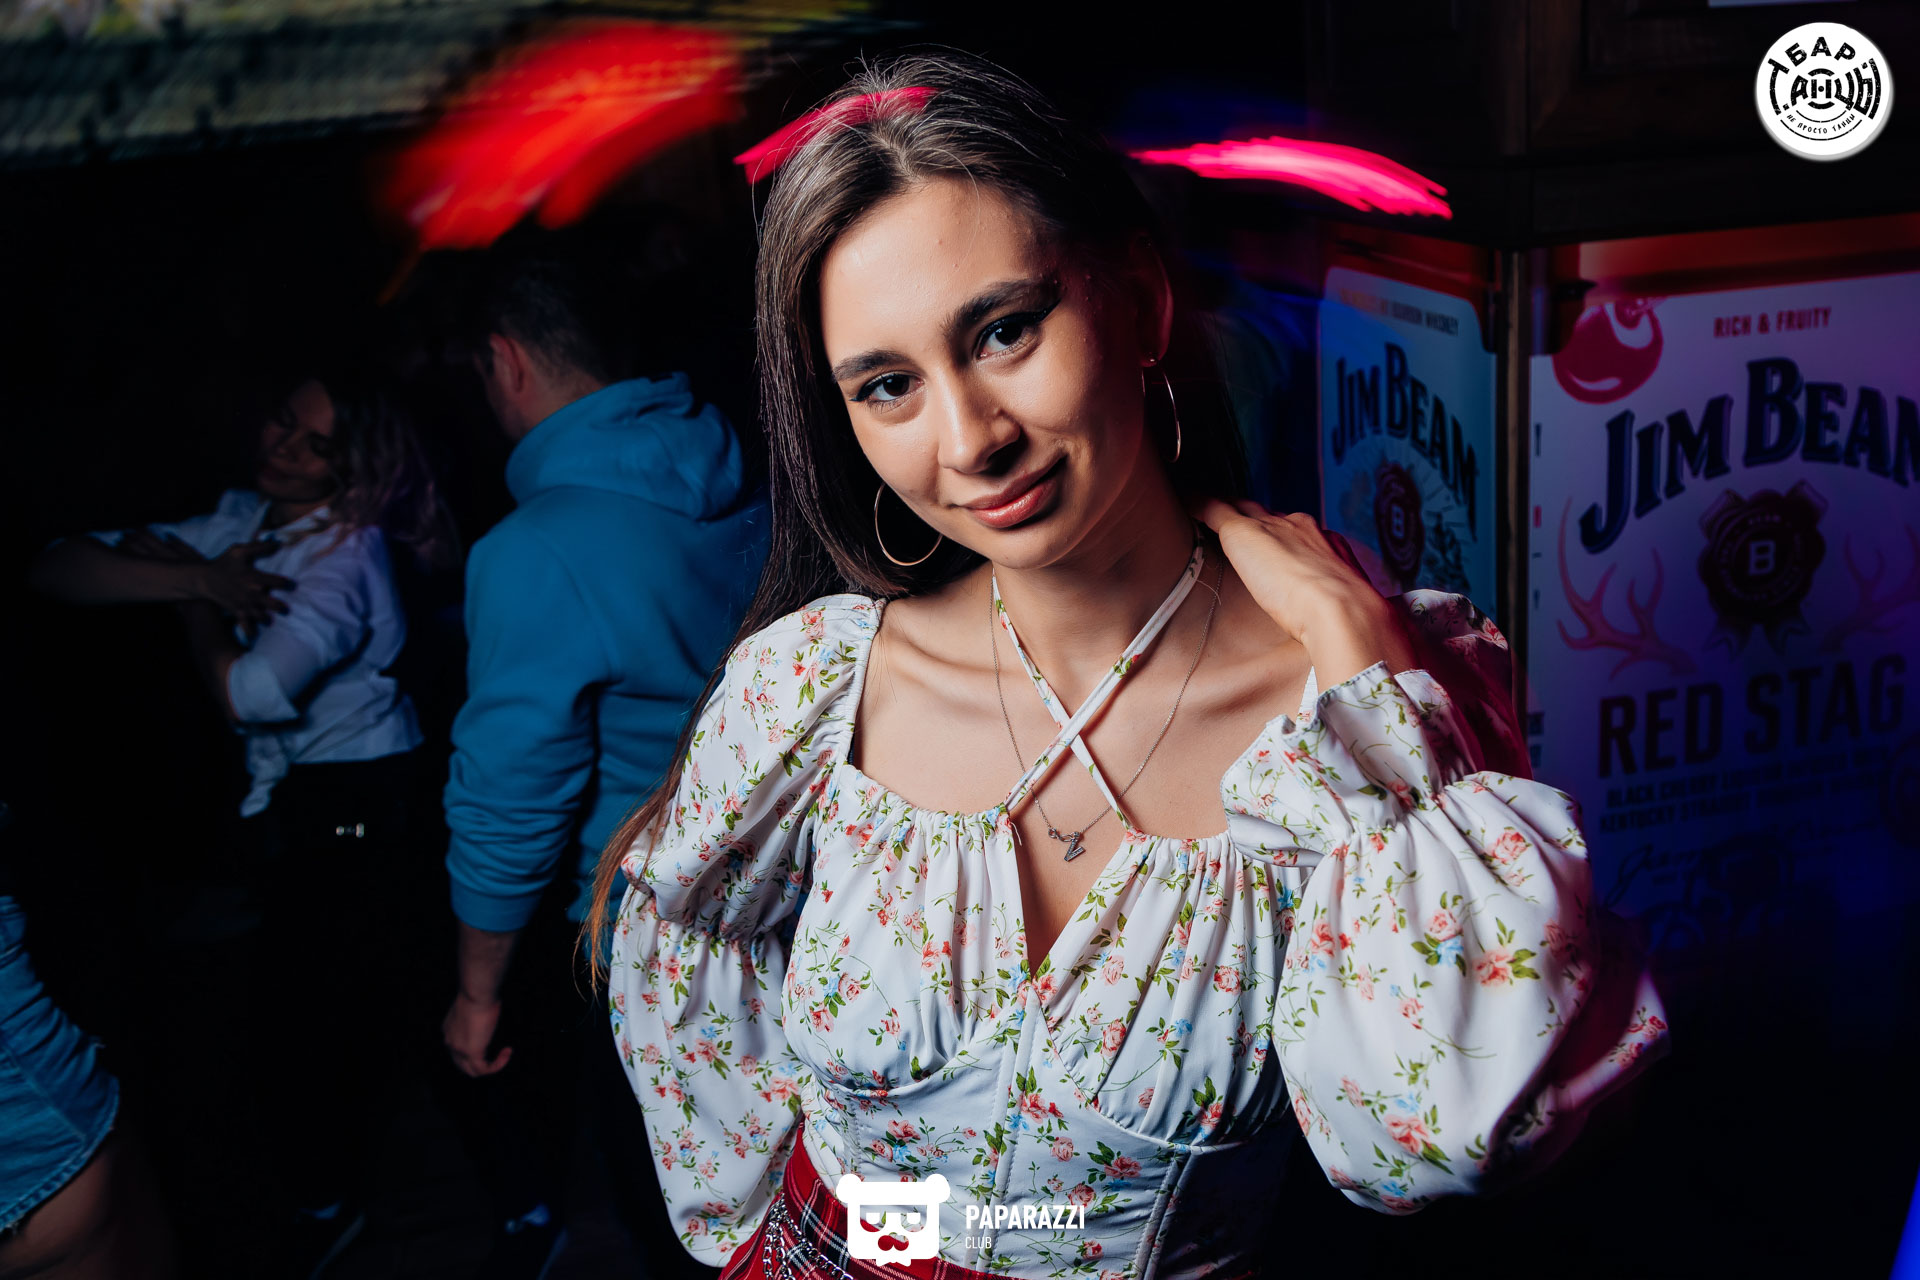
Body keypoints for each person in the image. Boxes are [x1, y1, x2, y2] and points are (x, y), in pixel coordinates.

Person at [584, 52, 1670, 1280]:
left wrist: (1362, 666)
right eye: (888, 386)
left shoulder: (1365, 722)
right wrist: (814, 1248)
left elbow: (1446, 1132)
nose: (971, 439)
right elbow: (693, 997)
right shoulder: (813, 691)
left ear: (1143, 303)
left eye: (1005, 329)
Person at [29, 369, 456, 1276]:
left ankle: (336, 1202)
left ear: (351, 469)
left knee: (312, 1023)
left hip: (359, 805)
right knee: (298, 1018)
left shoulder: (345, 556)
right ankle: (324, 1193)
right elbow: (56, 566)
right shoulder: (245, 520)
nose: (281, 448)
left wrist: (193, 601)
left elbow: (252, 694)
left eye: (313, 444)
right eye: (281, 423)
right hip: (303, 803)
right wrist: (197, 574)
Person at [438, 236, 768, 1279]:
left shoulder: (535, 549)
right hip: (793, 892)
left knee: (679, 1213)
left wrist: (478, 990)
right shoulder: (739, 468)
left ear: (505, 360)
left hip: (654, 941)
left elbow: (509, 801)